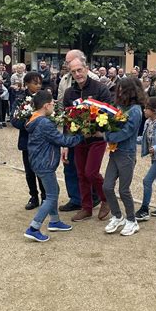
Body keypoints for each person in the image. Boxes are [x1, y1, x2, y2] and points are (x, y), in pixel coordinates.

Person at [24, 90, 84, 242]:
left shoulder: (34, 119)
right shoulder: (44, 123)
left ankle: (55, 221)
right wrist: (82, 135)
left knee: (54, 190)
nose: (53, 106)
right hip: (45, 163)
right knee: (51, 196)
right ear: (46, 105)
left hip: (38, 162)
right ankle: (34, 228)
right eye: (52, 104)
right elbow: (63, 141)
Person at [63, 57, 112, 222]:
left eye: (79, 70)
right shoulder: (70, 93)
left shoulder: (100, 89)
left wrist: (98, 129)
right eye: (73, 72)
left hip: (96, 139)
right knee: (81, 174)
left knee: (91, 172)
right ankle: (86, 207)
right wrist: (65, 144)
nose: (77, 74)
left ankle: (106, 199)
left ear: (86, 68)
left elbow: (109, 113)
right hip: (78, 140)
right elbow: (67, 120)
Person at [57, 50, 100, 213]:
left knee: (88, 168)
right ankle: (75, 198)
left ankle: (93, 195)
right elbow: (62, 105)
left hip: (90, 131)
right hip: (71, 128)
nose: (70, 66)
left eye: (72, 61)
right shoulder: (64, 80)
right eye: (68, 63)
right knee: (69, 163)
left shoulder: (93, 80)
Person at [102, 78, 144, 236]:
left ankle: (132, 220)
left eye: (122, 89)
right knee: (107, 186)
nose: (118, 92)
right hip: (115, 151)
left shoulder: (135, 110)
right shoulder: (119, 107)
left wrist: (108, 136)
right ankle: (117, 215)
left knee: (124, 189)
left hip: (126, 153)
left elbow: (127, 132)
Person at [11, 72, 46, 210]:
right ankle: (33, 196)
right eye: (35, 83)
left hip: (42, 141)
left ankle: (45, 196)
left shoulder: (44, 97)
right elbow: (14, 120)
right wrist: (28, 124)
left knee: (42, 170)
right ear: (27, 83)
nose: (38, 86)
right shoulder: (20, 99)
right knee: (29, 171)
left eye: (39, 83)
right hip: (27, 140)